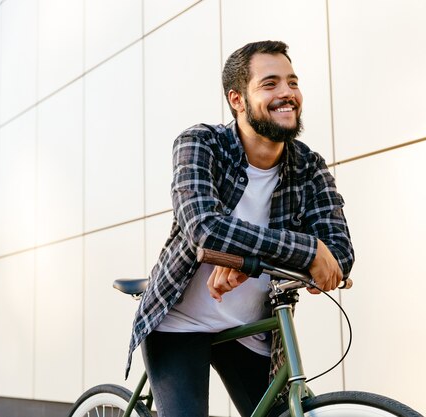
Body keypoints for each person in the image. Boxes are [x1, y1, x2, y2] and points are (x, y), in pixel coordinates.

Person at [125, 40, 354, 417]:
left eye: (292, 82)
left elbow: (341, 254)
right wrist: (308, 251)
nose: (287, 93)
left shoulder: (309, 167)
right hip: (179, 322)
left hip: (252, 330)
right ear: (237, 99)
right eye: (270, 84)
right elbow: (205, 229)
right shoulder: (201, 144)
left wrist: (245, 259)